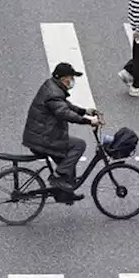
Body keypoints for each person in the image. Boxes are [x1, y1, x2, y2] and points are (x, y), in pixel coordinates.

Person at [21, 63, 100, 201]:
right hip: (42, 139)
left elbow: (66, 105)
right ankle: (58, 177)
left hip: (42, 135)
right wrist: (88, 121)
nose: (71, 81)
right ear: (63, 79)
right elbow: (64, 113)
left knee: (68, 160)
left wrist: (84, 111)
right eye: (70, 78)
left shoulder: (52, 87)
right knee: (79, 145)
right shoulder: (54, 93)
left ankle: (65, 194)